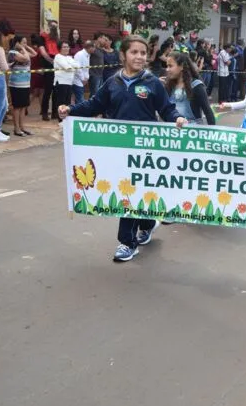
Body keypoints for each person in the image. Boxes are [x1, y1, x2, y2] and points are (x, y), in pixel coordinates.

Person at [58, 35, 187, 262]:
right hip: (119, 151)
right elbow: (94, 105)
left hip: (146, 151)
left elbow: (167, 109)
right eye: (134, 52)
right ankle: (147, 224)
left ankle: (127, 242)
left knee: (130, 193)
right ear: (123, 55)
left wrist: (176, 119)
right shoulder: (113, 82)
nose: (139, 57)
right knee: (129, 192)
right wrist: (70, 110)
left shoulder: (152, 82)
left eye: (143, 53)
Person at [165, 51, 215, 125]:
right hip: (173, 132)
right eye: (167, 66)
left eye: (170, 66)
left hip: (192, 132)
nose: (167, 69)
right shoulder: (169, 86)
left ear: (181, 66)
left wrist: (212, 133)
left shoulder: (197, 86)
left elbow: (208, 111)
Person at [7, 34, 36, 137]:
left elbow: (34, 53)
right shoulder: (12, 53)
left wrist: (25, 47)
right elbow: (26, 59)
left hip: (25, 83)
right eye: (23, 42)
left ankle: (22, 127)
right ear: (17, 43)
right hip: (16, 84)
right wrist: (23, 48)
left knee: (24, 106)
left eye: (26, 42)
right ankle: (16, 128)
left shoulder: (23, 51)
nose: (25, 44)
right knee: (17, 107)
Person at [39, 21, 60, 121]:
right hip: (48, 66)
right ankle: (44, 112)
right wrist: (52, 61)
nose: (53, 28)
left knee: (56, 91)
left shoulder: (57, 39)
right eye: (52, 26)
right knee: (48, 90)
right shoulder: (42, 38)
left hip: (57, 67)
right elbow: (43, 53)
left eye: (55, 27)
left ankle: (55, 112)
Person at [53, 41, 79, 117]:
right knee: (61, 103)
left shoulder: (69, 57)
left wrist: (71, 67)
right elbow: (67, 68)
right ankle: (60, 119)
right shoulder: (58, 56)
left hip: (69, 82)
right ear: (60, 48)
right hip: (61, 82)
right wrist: (71, 67)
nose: (66, 48)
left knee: (67, 102)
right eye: (64, 47)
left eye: (67, 47)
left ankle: (65, 119)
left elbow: (77, 66)